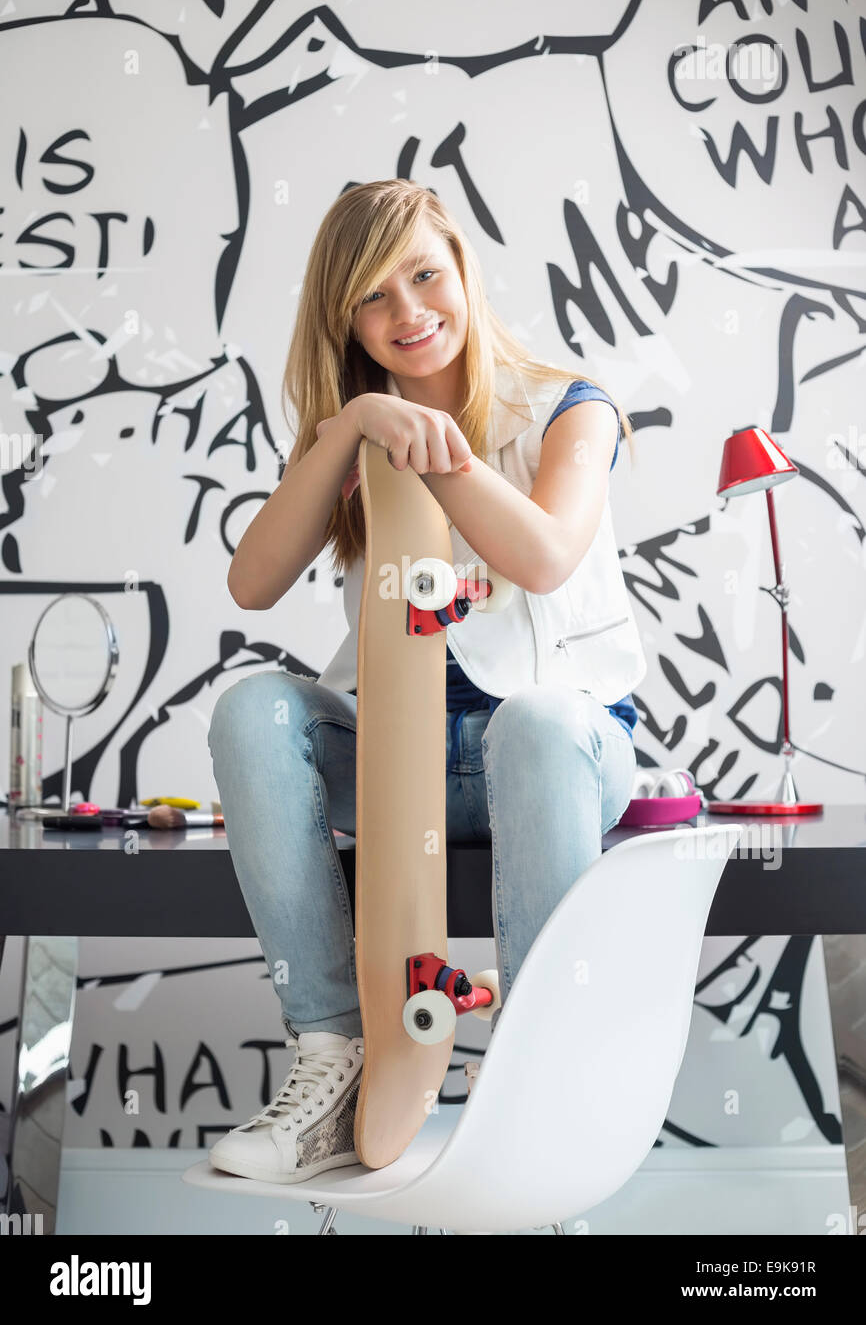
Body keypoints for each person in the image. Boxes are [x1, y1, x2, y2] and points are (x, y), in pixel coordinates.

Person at [206, 179, 646, 1185]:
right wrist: (354, 422)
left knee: (532, 722)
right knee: (250, 707)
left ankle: (540, 1079)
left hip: (556, 755)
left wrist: (435, 453)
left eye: (422, 275)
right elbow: (252, 581)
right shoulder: (356, 434)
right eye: (372, 296)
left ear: (460, 271)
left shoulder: (569, 408)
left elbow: (539, 555)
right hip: (401, 760)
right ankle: (332, 1053)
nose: (407, 312)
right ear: (344, 320)